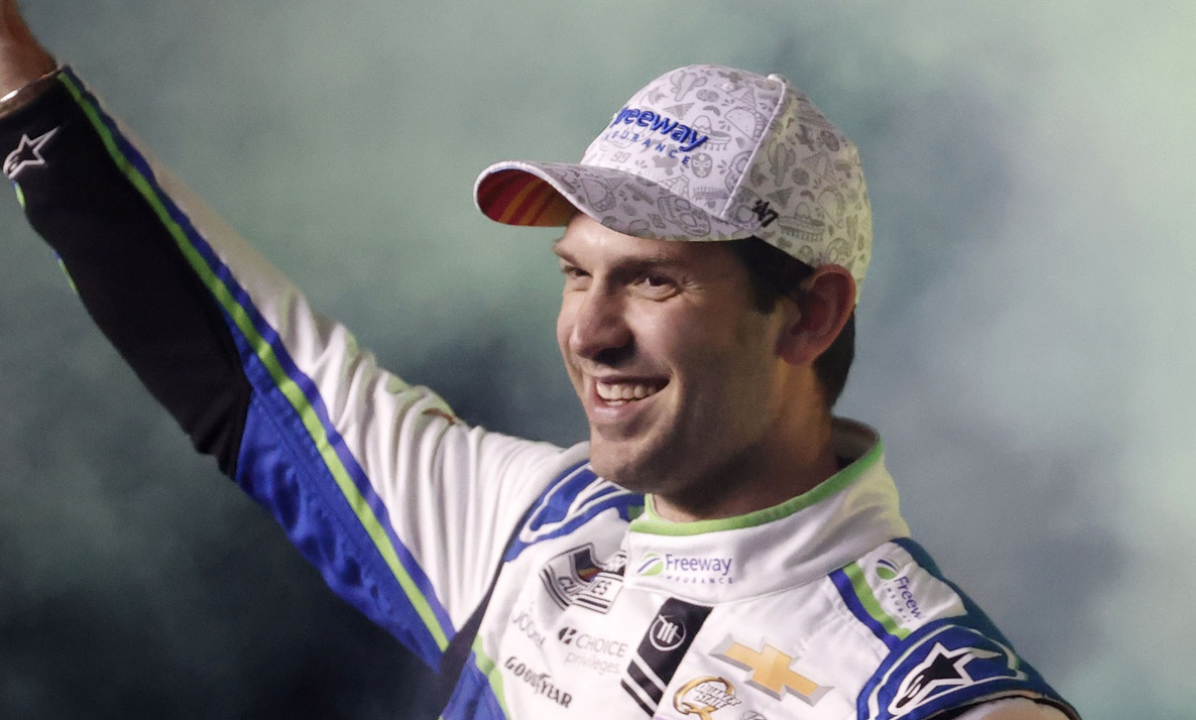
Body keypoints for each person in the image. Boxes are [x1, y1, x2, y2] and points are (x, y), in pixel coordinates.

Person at [0, 3, 1078, 719]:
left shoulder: (901, 674)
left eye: (651, 279)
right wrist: (16, 77)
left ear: (807, 317)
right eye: (575, 273)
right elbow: (245, 362)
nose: (589, 331)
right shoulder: (538, 517)